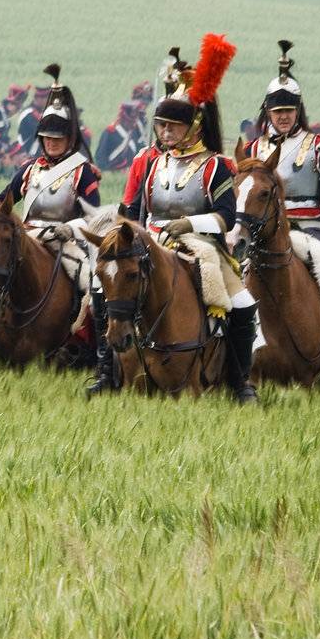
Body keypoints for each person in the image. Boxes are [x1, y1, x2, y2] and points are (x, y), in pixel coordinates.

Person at [116, 36, 256, 402]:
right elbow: (136, 210)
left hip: (202, 245)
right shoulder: (151, 164)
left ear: (193, 126)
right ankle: (106, 370)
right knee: (105, 287)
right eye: (161, 126)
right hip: (152, 240)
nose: (165, 133)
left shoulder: (216, 166)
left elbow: (227, 217)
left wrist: (189, 225)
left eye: (172, 127)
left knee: (242, 304)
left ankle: (240, 381)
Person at [247, 41, 320, 385]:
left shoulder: (319, 146)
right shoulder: (255, 149)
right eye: (276, 111)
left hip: (311, 229)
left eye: (289, 110)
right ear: (267, 113)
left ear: (298, 111)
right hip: (262, 232)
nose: (283, 116)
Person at [0, 64, 102, 362]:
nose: (51, 143)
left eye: (57, 138)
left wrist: (71, 228)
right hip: (29, 235)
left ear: (69, 139)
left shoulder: (82, 172)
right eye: (47, 138)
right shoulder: (29, 169)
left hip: (67, 237)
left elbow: (93, 216)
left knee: (91, 283)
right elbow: (5, 200)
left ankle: (90, 348)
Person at [95, 100, 148, 172]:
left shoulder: (135, 131)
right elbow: (100, 156)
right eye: (132, 113)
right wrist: (107, 170)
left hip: (131, 170)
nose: (134, 119)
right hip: (113, 169)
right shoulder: (110, 132)